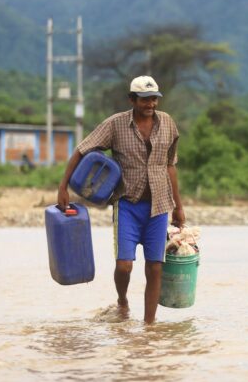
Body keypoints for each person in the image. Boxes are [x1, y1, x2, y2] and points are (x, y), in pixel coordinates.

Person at [57, 75, 185, 324]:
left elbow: (170, 166)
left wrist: (179, 206)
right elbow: (82, 149)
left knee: (155, 266)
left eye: (154, 99)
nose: (151, 105)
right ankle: (123, 300)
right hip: (127, 204)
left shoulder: (168, 123)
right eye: (145, 100)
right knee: (125, 265)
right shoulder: (115, 125)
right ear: (132, 99)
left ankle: (150, 325)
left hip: (159, 206)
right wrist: (63, 187)